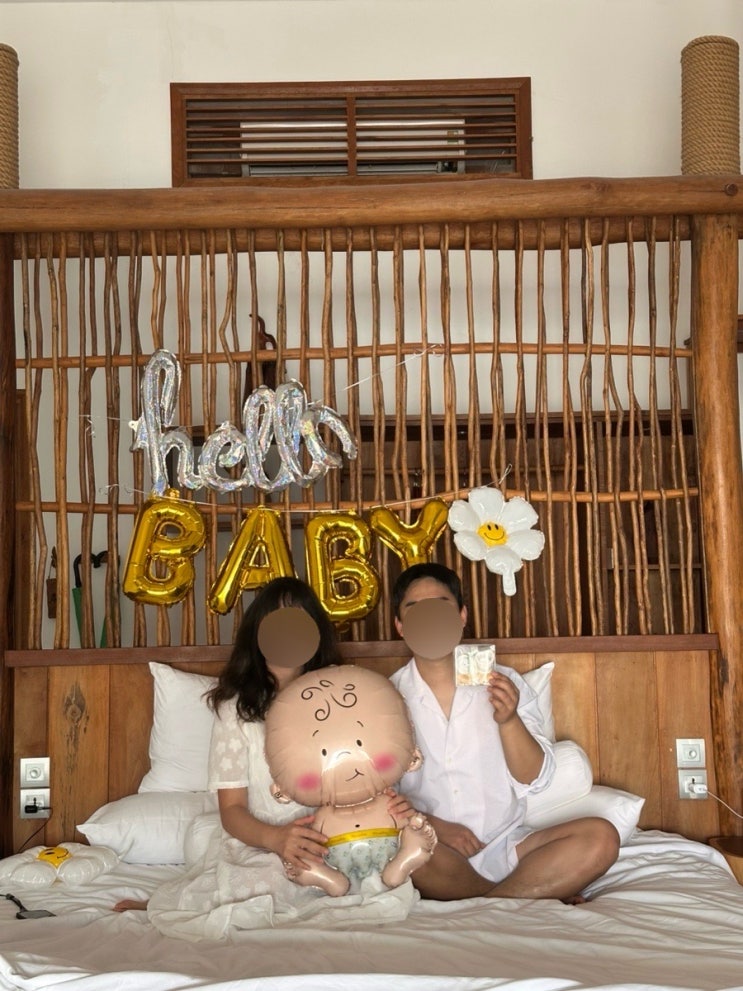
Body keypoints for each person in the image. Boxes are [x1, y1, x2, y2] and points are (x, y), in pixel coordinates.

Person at [115, 576, 411, 926]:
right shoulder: (236, 710)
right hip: (263, 843)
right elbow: (232, 810)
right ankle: (181, 901)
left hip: (339, 835)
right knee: (262, 889)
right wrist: (278, 839)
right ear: (257, 632)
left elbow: (366, 768)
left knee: (373, 879)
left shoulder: (342, 689)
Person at [389, 562, 620, 902]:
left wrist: (509, 720)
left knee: (602, 838)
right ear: (400, 625)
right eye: (414, 609)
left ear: (462, 615)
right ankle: (523, 895)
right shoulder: (386, 697)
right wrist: (436, 828)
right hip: (433, 849)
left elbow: (535, 780)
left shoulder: (504, 681)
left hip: (508, 845)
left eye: (440, 606)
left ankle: (491, 900)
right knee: (405, 852)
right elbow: (378, 795)